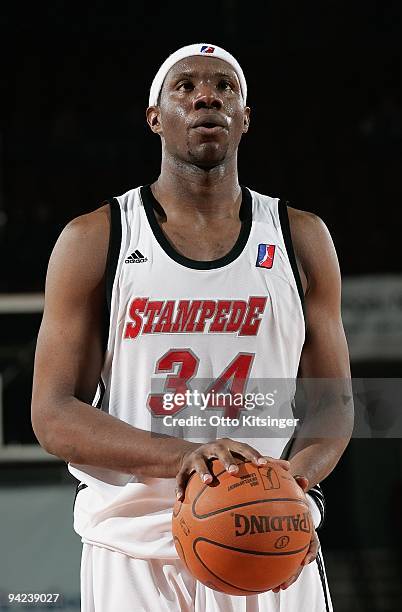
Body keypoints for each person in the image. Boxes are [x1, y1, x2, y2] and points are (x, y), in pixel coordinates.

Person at [31, 43, 353, 611]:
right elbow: (53, 414)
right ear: (155, 118)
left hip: (268, 539)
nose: (207, 96)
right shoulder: (96, 238)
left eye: (225, 87)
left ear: (245, 119)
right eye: (185, 86)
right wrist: (182, 456)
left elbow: (334, 405)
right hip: (134, 550)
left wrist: (295, 489)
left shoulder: (299, 237)